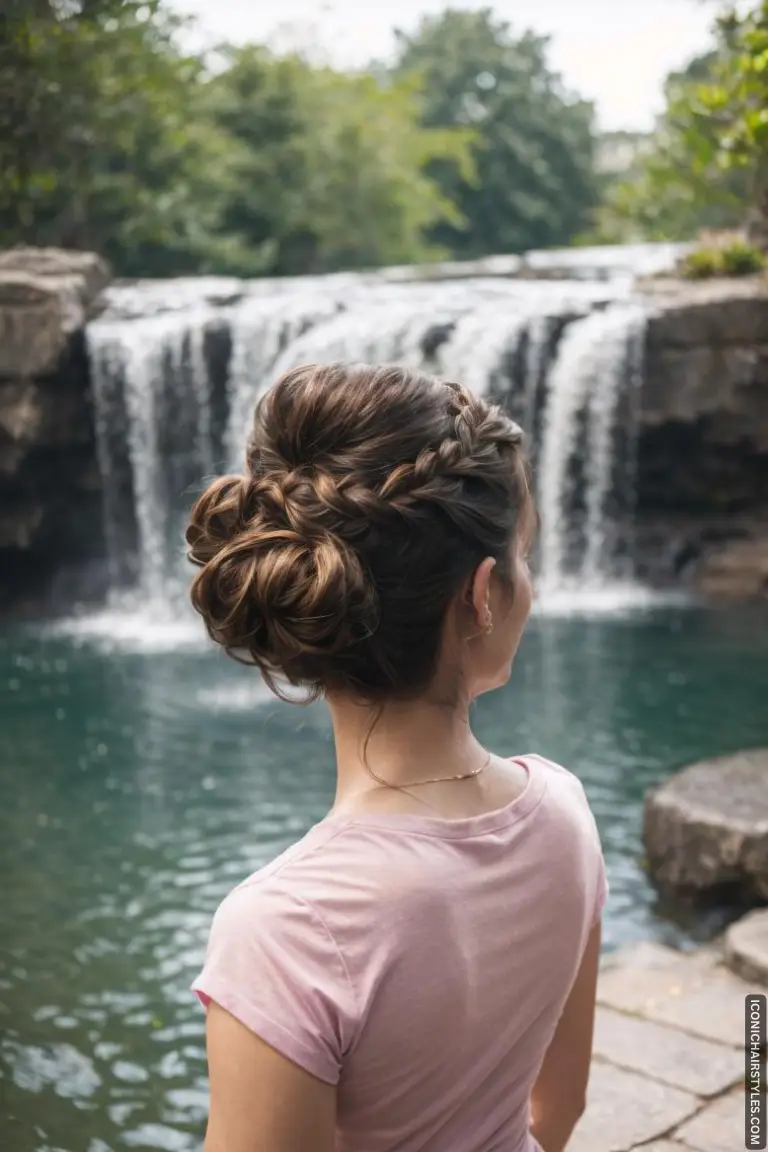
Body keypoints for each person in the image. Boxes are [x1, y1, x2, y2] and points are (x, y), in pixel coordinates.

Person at [187, 362, 608, 1152]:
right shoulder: (565, 808)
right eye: (526, 557)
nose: (534, 587)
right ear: (483, 594)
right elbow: (557, 1113)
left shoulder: (290, 927)